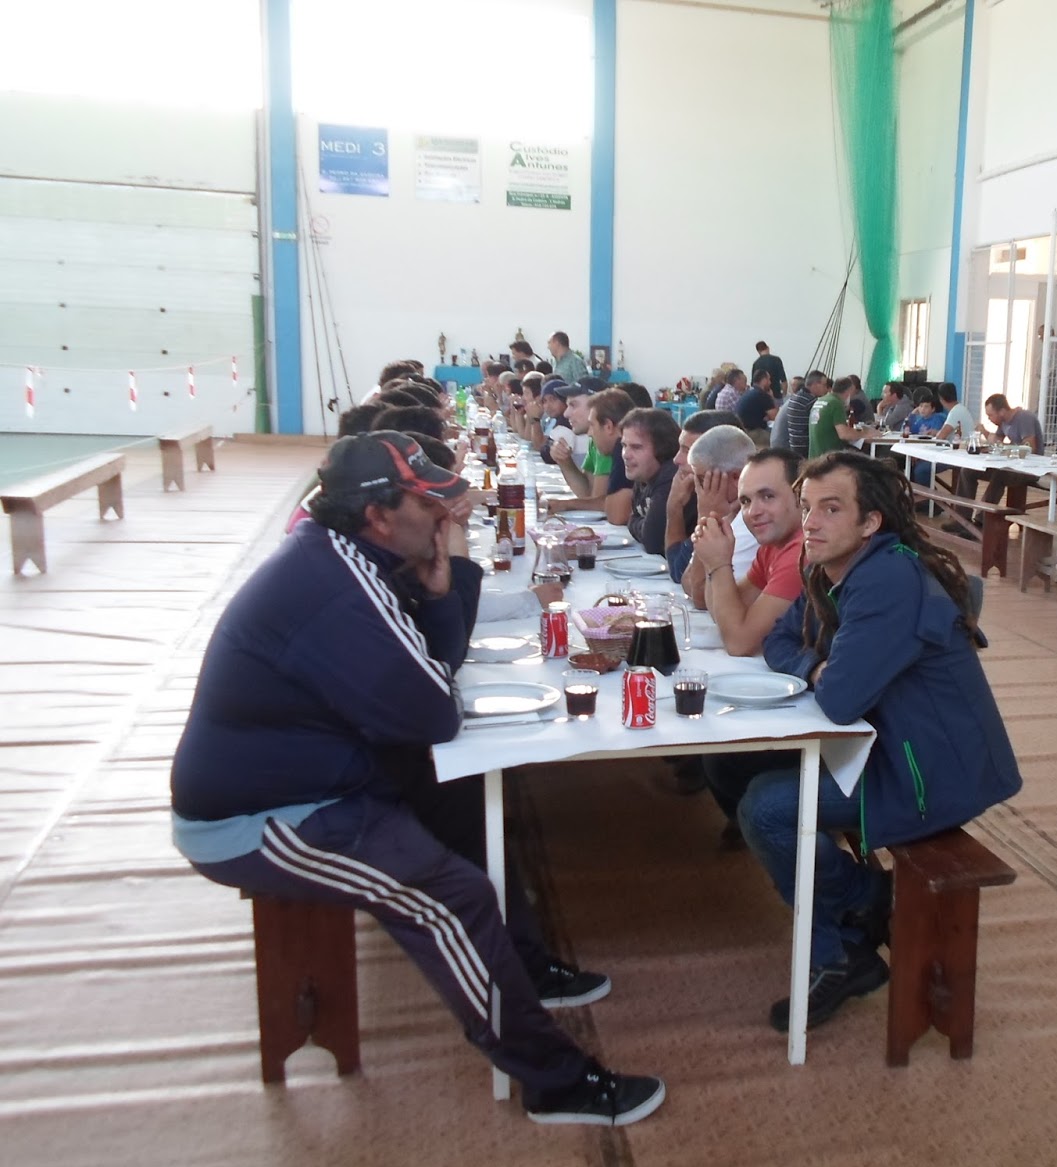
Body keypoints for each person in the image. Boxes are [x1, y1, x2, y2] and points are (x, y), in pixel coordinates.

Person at [169, 431, 664, 1126]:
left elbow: (433, 672)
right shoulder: (337, 587)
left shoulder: (345, 556)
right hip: (263, 818)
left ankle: (522, 967)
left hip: (325, 778)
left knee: (461, 797)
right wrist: (450, 582)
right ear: (378, 516)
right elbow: (434, 711)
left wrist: (442, 587)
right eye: (427, 503)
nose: (444, 514)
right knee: (449, 897)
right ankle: (555, 1082)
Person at [731, 452, 1021, 1032]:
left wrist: (819, 671)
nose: (811, 522)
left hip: (933, 771)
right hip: (886, 746)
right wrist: (820, 666)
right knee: (739, 770)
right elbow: (778, 642)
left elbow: (839, 699)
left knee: (767, 807)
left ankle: (842, 942)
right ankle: (859, 900)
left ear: (871, 522)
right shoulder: (829, 567)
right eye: (807, 507)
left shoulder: (887, 579)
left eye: (831, 509)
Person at [692, 448, 805, 657]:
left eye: (768, 496)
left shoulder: (801, 551)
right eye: (746, 501)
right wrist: (711, 559)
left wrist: (719, 564)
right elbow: (723, 615)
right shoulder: (773, 546)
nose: (753, 512)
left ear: (800, 496)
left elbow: (739, 643)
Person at [663, 411, 744, 582]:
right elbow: (678, 568)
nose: (676, 459)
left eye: (688, 451)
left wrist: (706, 517)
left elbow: (688, 581)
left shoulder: (745, 516)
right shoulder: (693, 492)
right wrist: (674, 507)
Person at [548, 386, 632, 525]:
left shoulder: (621, 449)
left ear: (608, 426)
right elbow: (589, 495)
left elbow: (613, 510)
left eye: (592, 425)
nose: (589, 433)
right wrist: (564, 461)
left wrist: (565, 505)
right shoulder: (609, 445)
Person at [618, 407, 680, 556]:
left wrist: (636, 523)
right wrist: (638, 522)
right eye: (624, 446)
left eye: (636, 447)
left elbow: (652, 541)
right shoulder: (644, 474)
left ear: (663, 449)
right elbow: (633, 518)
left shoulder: (670, 479)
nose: (626, 455)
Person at [773, 370, 827, 456]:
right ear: (815, 385)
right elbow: (821, 425)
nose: (826, 389)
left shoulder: (795, 397)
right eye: (824, 385)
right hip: (804, 448)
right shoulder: (810, 401)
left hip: (793, 446)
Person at [807, 377, 856, 458]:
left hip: (815, 455)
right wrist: (866, 433)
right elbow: (844, 434)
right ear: (848, 391)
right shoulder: (835, 403)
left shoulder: (820, 400)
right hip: (828, 457)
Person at [735, 369, 778, 436]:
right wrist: (772, 398)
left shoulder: (748, 392)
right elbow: (775, 417)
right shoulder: (762, 395)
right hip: (753, 431)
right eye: (769, 379)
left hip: (742, 429)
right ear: (764, 380)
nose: (770, 383)